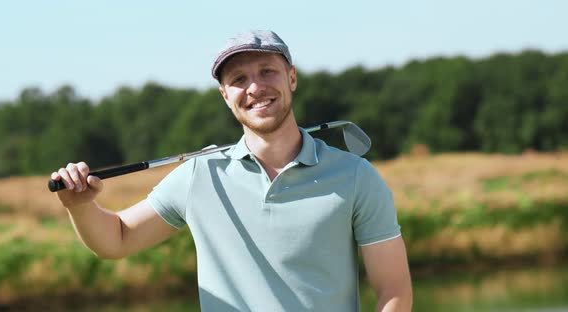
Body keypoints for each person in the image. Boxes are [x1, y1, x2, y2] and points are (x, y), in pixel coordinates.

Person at [51, 30, 413, 311]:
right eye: (239, 79)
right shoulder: (199, 174)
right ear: (225, 95)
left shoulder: (355, 176)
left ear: (291, 78)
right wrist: (80, 205)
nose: (255, 87)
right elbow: (116, 239)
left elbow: (393, 289)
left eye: (267, 71)